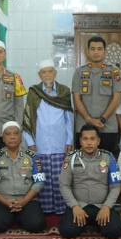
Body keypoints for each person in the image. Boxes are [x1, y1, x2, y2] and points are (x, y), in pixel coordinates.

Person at [22, 59, 73, 214]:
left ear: (55, 73)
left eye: (50, 71)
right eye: (44, 72)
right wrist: (30, 142)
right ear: (40, 75)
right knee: (42, 178)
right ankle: (44, 210)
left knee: (60, 179)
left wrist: (69, 140)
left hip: (60, 143)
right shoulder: (34, 92)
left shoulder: (64, 91)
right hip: (40, 144)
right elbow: (27, 119)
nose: (47, 74)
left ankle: (61, 209)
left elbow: (69, 119)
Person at [58, 124, 121, 239]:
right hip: (79, 206)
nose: (89, 143)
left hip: (101, 206)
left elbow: (116, 186)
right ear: (80, 141)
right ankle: (91, 224)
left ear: (98, 141)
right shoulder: (71, 158)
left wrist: (107, 206)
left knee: (114, 231)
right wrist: (74, 206)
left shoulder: (108, 158)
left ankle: (95, 223)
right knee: (67, 231)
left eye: (92, 139)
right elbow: (64, 185)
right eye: (85, 139)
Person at [0, 122, 46, 233]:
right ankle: (14, 216)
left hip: (27, 200)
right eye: (8, 134)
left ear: (20, 137)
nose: (12, 136)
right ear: (3, 138)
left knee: (37, 225)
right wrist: (5, 202)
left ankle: (16, 216)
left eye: (15, 133)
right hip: (2, 200)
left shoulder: (33, 156)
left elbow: (40, 182)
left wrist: (24, 201)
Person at [72, 36, 121, 158]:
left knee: (107, 164)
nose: (96, 52)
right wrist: (89, 119)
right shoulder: (79, 72)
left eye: (99, 49)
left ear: (105, 52)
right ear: (87, 51)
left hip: (108, 127)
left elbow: (116, 98)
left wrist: (103, 119)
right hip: (83, 127)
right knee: (83, 164)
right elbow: (76, 99)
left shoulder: (114, 72)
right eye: (93, 49)